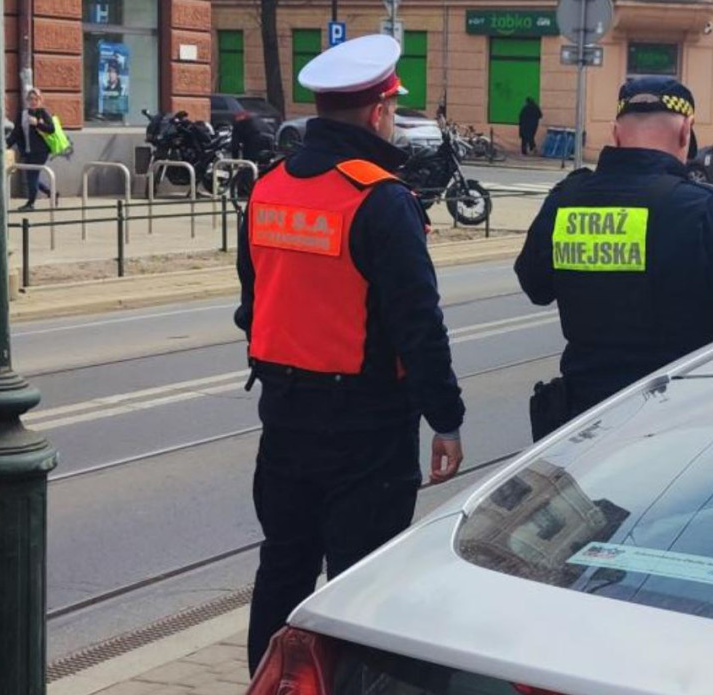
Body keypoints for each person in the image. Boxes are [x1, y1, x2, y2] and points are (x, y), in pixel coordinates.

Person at [235, 33, 466, 675]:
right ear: (378, 111)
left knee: (282, 570)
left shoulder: (269, 188)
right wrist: (444, 419)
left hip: (283, 417)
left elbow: (251, 305)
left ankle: (267, 684)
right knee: (360, 588)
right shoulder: (380, 198)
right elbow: (418, 325)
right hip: (367, 429)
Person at [515, 76, 713, 440]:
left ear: (616, 134)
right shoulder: (701, 209)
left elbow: (535, 286)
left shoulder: (565, 200)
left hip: (582, 427)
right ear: (686, 133)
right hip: (673, 428)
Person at [5, 87, 56, 211]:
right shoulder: (22, 114)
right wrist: (6, 144)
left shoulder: (43, 113)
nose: (33, 102)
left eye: (36, 99)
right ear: (27, 100)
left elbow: (51, 129)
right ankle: (51, 192)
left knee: (31, 177)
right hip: (27, 151)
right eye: (30, 99)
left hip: (40, 152)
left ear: (40, 100)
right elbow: (16, 133)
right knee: (32, 177)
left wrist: (37, 123)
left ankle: (31, 203)